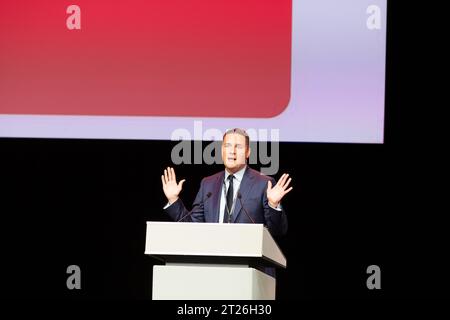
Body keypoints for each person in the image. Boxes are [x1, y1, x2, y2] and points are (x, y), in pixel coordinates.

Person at [161, 128, 292, 237]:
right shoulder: (208, 184)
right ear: (221, 150)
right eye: (227, 145)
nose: (232, 151)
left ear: (248, 152)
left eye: (238, 146)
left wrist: (273, 205)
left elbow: (278, 232)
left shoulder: (264, 183)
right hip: (215, 263)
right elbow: (192, 227)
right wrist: (173, 200)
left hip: (251, 265)